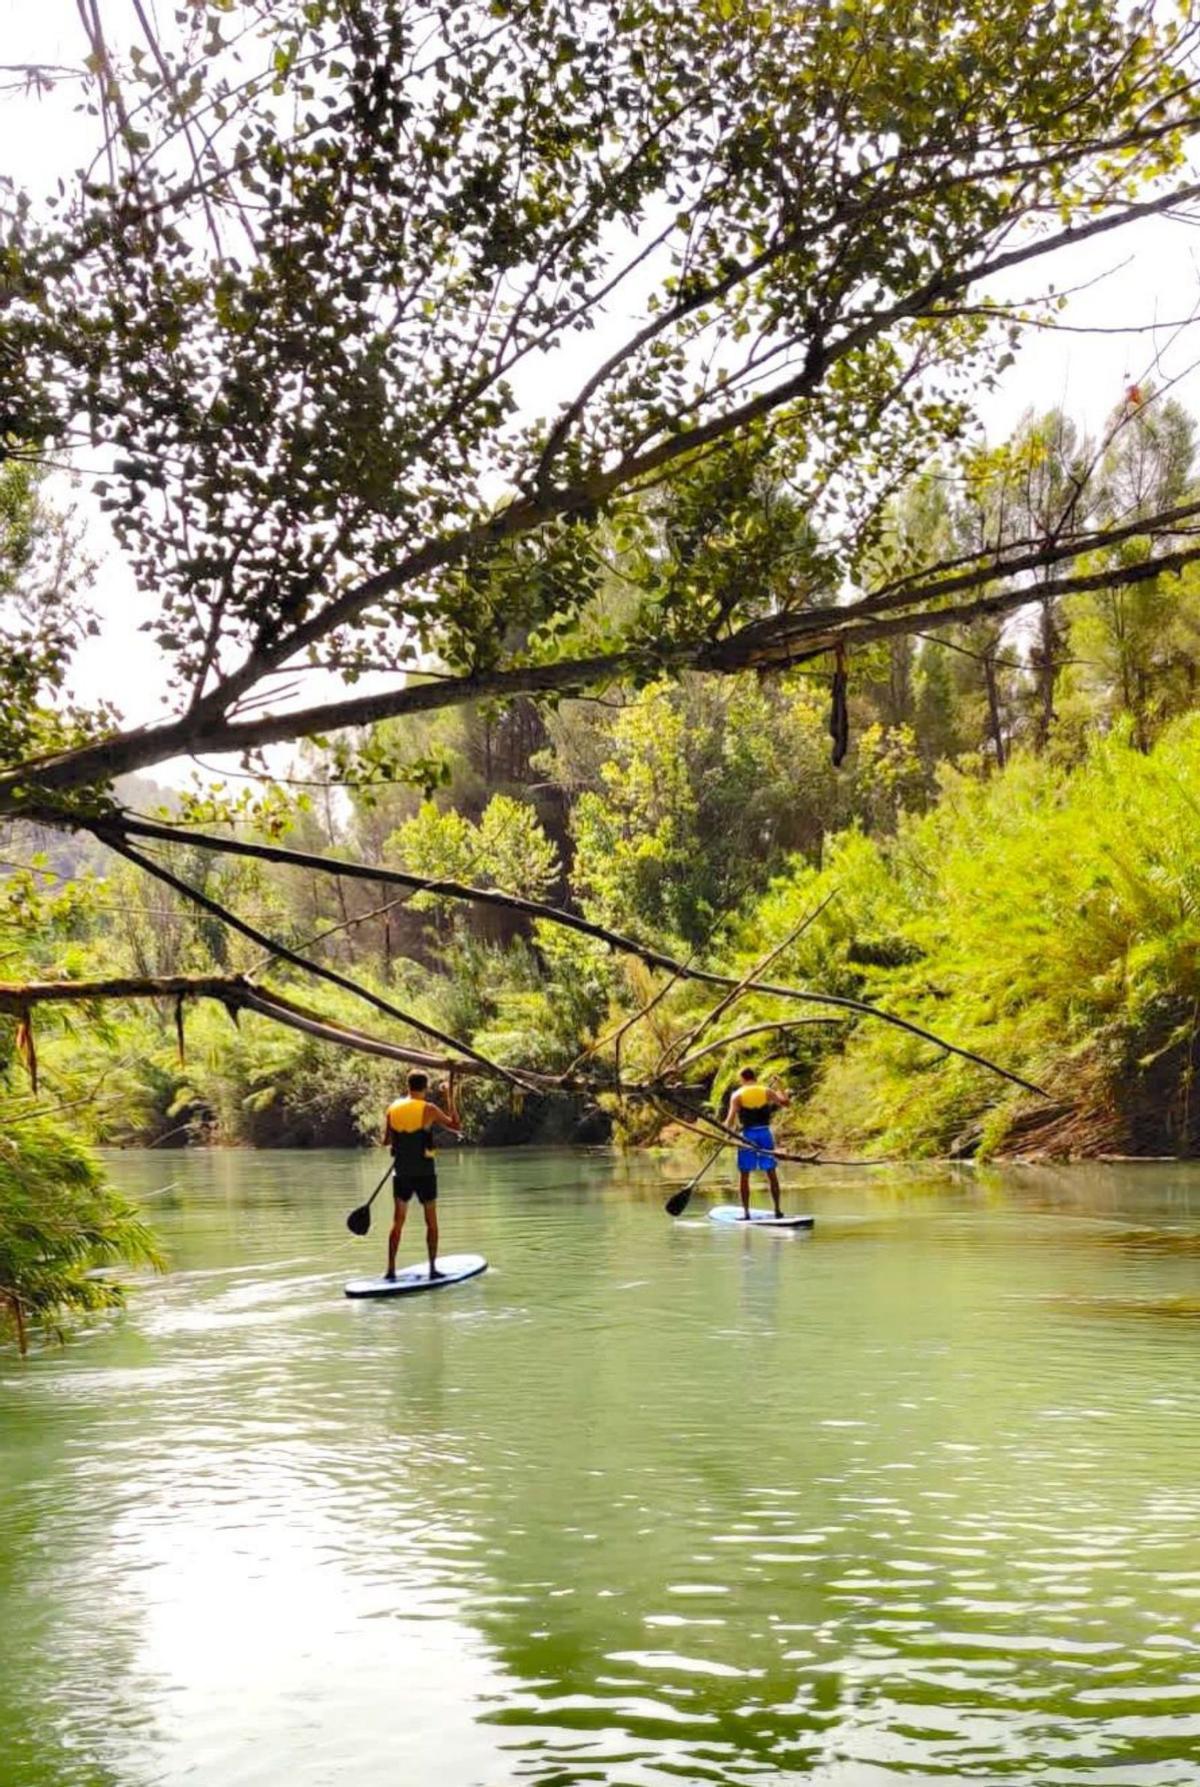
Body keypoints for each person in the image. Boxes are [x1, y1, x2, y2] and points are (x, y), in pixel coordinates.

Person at [382, 1069, 461, 1280]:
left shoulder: (393, 1108)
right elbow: (456, 1126)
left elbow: (386, 1141)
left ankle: (390, 1270)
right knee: (431, 1222)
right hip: (424, 1173)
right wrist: (448, 1096)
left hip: (402, 1173)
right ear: (425, 1088)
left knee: (397, 1222)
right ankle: (433, 1269)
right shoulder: (429, 1108)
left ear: (408, 1086)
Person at [724, 1066, 790, 1219]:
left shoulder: (737, 1095)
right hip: (765, 1134)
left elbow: (729, 1121)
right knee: (771, 1173)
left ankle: (746, 1213)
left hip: (747, 1137)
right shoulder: (766, 1091)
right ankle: (777, 1210)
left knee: (744, 1175)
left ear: (742, 1079)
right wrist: (781, 1087)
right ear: (754, 1077)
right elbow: (785, 1103)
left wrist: (725, 1131)